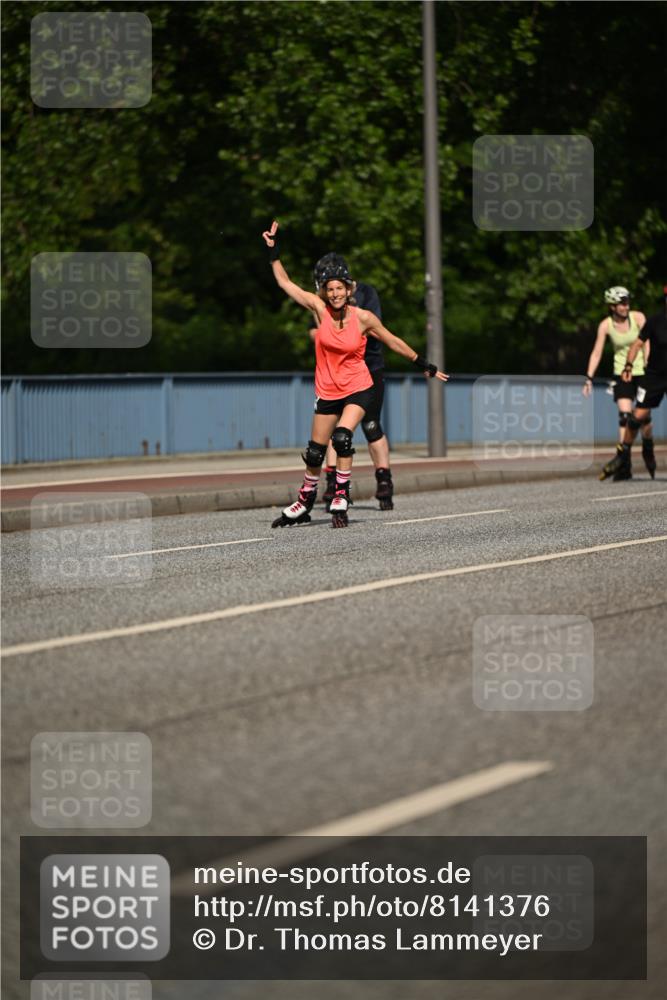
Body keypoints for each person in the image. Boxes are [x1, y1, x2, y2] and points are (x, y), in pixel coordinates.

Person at [262, 220, 448, 528]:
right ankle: (305, 499)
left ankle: (340, 495)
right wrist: (273, 251)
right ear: (324, 291)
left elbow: (393, 341)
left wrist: (424, 364)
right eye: (329, 289)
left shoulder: (363, 317)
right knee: (314, 452)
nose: (334, 294)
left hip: (359, 387)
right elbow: (285, 283)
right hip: (327, 390)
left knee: (343, 437)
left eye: (340, 288)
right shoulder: (317, 309)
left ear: (349, 290)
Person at [309, 253, 394, 510]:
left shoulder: (366, 294)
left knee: (370, 424)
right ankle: (333, 482)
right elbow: (316, 329)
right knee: (336, 431)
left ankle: (384, 480)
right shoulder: (324, 301)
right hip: (336, 375)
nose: (332, 291)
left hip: (368, 369)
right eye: (326, 285)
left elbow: (375, 330)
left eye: (336, 284)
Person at [600, 286, 667, 482]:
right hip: (654, 376)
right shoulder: (655, 322)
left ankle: (646, 449)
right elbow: (637, 344)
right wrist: (628, 365)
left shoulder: (638, 317)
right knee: (636, 417)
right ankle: (623, 455)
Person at [584, 286, 647, 480]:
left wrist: (649, 365)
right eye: (621, 303)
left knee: (642, 419)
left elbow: (648, 343)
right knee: (625, 417)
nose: (626, 306)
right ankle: (624, 464)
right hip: (622, 374)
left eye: (627, 302)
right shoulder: (606, 325)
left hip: (642, 371)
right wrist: (589, 377)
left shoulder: (638, 318)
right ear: (612, 306)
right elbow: (597, 352)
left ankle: (641, 452)